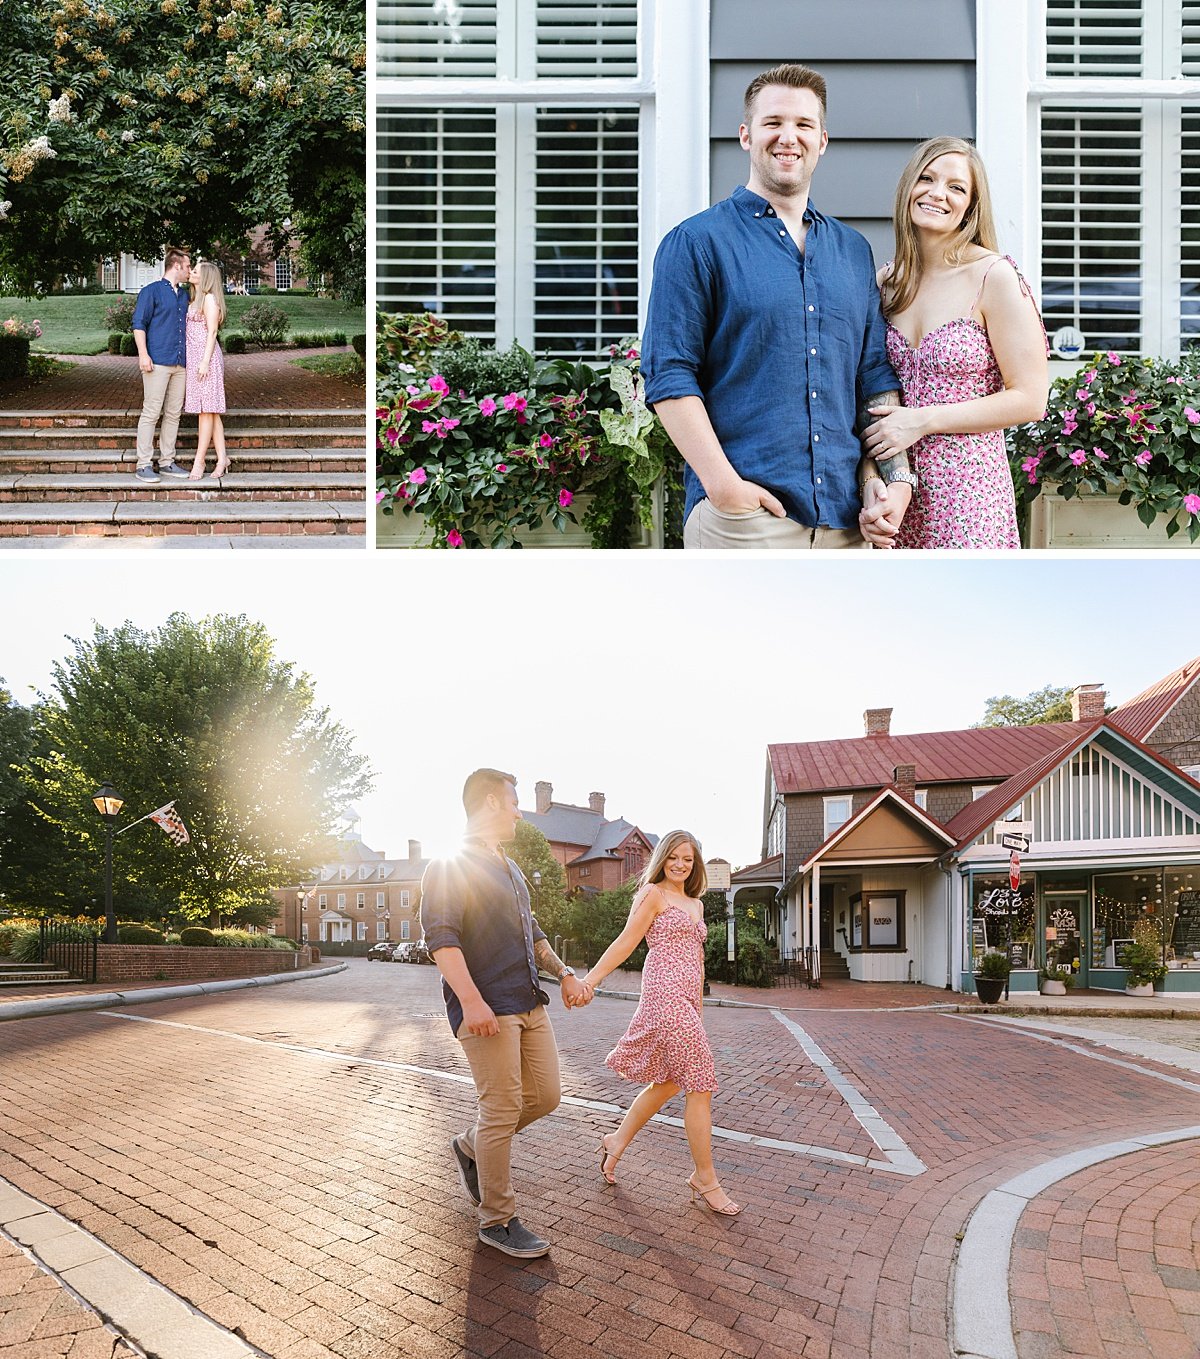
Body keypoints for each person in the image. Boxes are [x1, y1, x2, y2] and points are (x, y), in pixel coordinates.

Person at [641, 62, 915, 549]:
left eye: (804, 125)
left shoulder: (853, 251)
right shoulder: (697, 243)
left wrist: (893, 482)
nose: (789, 137)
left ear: (822, 141)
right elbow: (669, 374)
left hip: (846, 526)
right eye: (774, 123)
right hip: (745, 523)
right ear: (745, 135)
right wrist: (725, 489)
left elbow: (872, 377)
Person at [420, 768, 592, 1259]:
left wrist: (564, 973)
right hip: (487, 1007)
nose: (519, 812)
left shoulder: (511, 868)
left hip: (527, 999)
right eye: (514, 803)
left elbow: (533, 934)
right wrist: (471, 1002)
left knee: (546, 1096)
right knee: (501, 1108)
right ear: (492, 802)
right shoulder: (449, 864)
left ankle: (471, 1145)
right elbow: (443, 939)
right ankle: (496, 1220)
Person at [862, 136, 1049, 548]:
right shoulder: (884, 284)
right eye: (926, 178)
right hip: (898, 500)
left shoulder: (993, 277)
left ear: (970, 206)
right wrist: (873, 480)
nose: (937, 193)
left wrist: (924, 419)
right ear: (908, 187)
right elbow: (870, 397)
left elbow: (1031, 398)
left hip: (971, 497)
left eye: (956, 187)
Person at [582, 830, 742, 1217]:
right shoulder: (653, 894)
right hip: (664, 998)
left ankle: (615, 1141)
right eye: (673, 857)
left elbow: (697, 962)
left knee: (670, 1081)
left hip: (687, 1002)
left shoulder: (696, 904)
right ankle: (705, 1178)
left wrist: (698, 1008)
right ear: (662, 859)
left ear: (695, 863)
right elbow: (625, 942)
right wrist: (591, 980)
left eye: (687, 859)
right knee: (700, 1083)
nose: (680, 865)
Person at [130, 249, 192, 484]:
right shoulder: (151, 291)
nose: (189, 270)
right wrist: (143, 354)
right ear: (176, 265)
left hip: (180, 362)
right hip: (156, 361)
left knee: (174, 414)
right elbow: (139, 324)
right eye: (187, 266)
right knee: (151, 412)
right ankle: (143, 464)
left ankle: (167, 462)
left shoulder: (185, 295)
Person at [185, 261, 229, 480]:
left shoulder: (210, 299)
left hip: (207, 359)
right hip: (197, 359)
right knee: (211, 412)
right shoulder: (195, 299)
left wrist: (204, 362)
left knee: (205, 411)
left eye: (195, 271)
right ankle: (222, 459)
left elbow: (212, 333)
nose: (191, 272)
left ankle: (199, 461)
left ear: (206, 277)